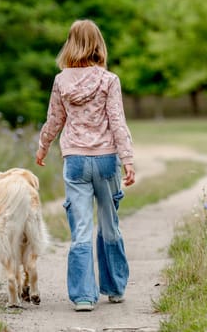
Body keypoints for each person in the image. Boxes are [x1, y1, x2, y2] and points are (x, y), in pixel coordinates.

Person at [35, 19, 135, 312]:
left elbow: (54, 120)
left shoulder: (61, 81)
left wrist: (43, 146)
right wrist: (127, 159)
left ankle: (82, 297)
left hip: (75, 162)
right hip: (106, 162)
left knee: (81, 230)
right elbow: (117, 122)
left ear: (71, 44)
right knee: (109, 226)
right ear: (98, 44)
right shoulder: (109, 80)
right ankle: (115, 288)